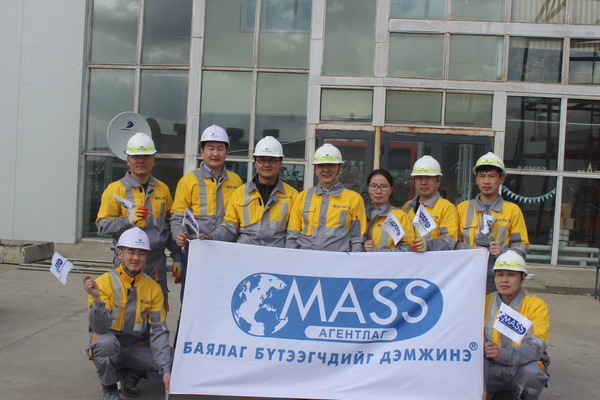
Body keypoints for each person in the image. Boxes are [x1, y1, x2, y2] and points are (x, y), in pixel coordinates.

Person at [83, 228, 172, 400]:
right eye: (131, 252)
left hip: (137, 347)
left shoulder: (153, 288)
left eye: (141, 253)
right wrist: (97, 299)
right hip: (112, 346)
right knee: (104, 343)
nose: (136, 258)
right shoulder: (103, 283)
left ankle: (131, 374)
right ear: (120, 254)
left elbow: (158, 331)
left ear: (146, 257)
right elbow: (99, 328)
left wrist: (166, 369)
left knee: (173, 364)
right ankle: (109, 387)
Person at [96, 132, 180, 309]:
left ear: (153, 159)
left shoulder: (162, 189)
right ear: (128, 159)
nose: (141, 160)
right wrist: (128, 220)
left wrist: (177, 257)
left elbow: (169, 226)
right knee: (124, 310)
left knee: (156, 311)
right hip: (127, 264)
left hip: (156, 263)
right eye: (136, 156)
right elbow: (103, 226)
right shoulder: (115, 189)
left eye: (146, 156)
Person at [170, 124, 243, 292]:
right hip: (196, 253)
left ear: (227, 152)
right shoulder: (188, 181)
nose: (215, 153)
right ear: (202, 151)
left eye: (220, 148)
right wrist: (178, 234)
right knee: (192, 298)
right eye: (210, 148)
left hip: (226, 252)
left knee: (222, 296)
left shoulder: (236, 181)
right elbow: (177, 216)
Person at [203, 136, 298, 246]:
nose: (267, 164)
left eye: (272, 160)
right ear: (255, 163)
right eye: (262, 160)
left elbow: (293, 234)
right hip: (245, 254)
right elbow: (230, 227)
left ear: (280, 163)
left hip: (276, 255)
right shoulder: (239, 193)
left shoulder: (293, 196)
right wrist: (212, 237)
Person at [456, 152, 529, 292]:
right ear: (476, 179)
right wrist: (470, 250)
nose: (486, 181)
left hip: (500, 276)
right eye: (482, 176)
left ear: (502, 179)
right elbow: (453, 242)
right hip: (467, 274)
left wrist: (503, 252)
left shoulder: (512, 210)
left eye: (492, 176)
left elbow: (522, 245)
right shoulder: (462, 208)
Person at [484, 251, 550, 400]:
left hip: (522, 366)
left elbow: (536, 347)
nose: (504, 280)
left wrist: (503, 354)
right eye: (500, 274)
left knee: (533, 374)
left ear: (522, 278)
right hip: (491, 366)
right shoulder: (484, 302)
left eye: (511, 275)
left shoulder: (536, 305)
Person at [286, 143, 367, 251]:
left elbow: (357, 238)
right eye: (321, 166)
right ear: (315, 169)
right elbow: (292, 235)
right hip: (306, 258)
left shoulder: (354, 199)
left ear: (340, 169)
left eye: (331, 165)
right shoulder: (302, 197)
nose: (326, 170)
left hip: (337, 260)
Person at [402, 155, 458, 253]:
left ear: (438, 181)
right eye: (419, 178)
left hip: (433, 261)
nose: (423, 182)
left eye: (429, 178)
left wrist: (428, 245)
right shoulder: (407, 207)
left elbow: (449, 242)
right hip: (408, 260)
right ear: (414, 181)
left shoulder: (446, 207)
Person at [364, 169, 414, 252]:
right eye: (374, 186)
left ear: (391, 190)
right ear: (368, 188)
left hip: (389, 261)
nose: (378, 191)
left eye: (384, 187)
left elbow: (408, 247)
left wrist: (378, 252)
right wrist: (362, 247)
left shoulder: (400, 216)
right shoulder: (361, 214)